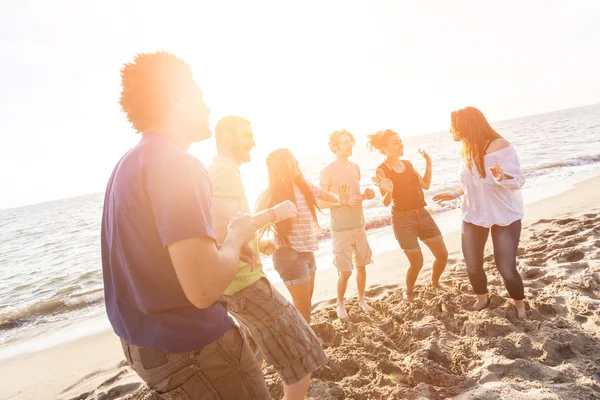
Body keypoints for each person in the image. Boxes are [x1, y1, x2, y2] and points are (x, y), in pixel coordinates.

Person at [101, 52, 272, 399]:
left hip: (146, 350)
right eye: (198, 95)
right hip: (195, 350)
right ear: (176, 97)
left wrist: (223, 246)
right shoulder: (176, 163)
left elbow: (158, 260)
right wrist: (237, 234)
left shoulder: (128, 165)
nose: (207, 106)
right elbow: (204, 289)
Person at [208, 116, 327, 400]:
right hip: (244, 283)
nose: (253, 142)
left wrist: (256, 241)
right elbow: (222, 227)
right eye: (246, 136)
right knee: (304, 352)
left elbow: (223, 230)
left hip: (235, 282)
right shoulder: (225, 171)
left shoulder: (217, 171)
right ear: (226, 139)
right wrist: (273, 214)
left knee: (253, 353)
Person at [433, 106, 527, 319]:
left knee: (506, 268)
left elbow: (518, 181)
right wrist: (455, 194)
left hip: (504, 215)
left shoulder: (500, 146)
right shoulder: (466, 149)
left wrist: (501, 177)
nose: (451, 131)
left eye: (454, 126)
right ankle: (482, 298)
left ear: (466, 125)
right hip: (474, 215)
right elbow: (472, 182)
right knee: (473, 264)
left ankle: (519, 304)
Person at [256, 148, 349, 323]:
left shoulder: (306, 188)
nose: (297, 163)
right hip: (288, 255)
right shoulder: (270, 194)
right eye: (292, 160)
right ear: (282, 166)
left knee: (305, 305)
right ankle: (306, 344)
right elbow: (254, 223)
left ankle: (303, 337)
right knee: (303, 306)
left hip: (308, 252)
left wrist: (340, 198)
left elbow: (330, 197)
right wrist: (262, 242)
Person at [369, 129, 448, 302]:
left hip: (423, 214)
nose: (401, 144)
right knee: (417, 262)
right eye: (396, 142)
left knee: (442, 255)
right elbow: (385, 201)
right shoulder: (381, 170)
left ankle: (435, 282)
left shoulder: (408, 164)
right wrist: (389, 191)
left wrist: (428, 163)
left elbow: (425, 185)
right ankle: (409, 292)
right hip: (402, 220)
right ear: (384, 147)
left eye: (400, 141)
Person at [319, 130, 376, 319]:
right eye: (345, 142)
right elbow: (319, 203)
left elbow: (354, 197)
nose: (350, 144)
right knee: (345, 271)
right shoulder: (327, 171)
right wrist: (343, 202)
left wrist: (366, 196)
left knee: (361, 265)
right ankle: (340, 303)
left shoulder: (355, 167)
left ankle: (361, 300)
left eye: (350, 141)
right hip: (340, 228)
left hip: (358, 225)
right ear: (334, 147)